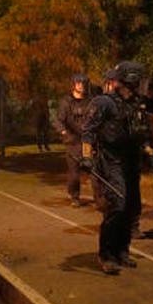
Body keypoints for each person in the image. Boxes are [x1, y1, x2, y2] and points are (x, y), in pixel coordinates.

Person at [81, 61, 151, 275]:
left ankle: (122, 250)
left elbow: (142, 131)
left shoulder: (136, 104)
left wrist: (149, 151)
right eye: (133, 83)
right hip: (111, 162)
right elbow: (88, 131)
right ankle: (107, 254)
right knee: (117, 206)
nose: (136, 87)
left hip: (131, 162)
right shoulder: (104, 103)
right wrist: (86, 156)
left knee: (130, 208)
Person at [56, 73, 100, 208]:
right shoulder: (66, 102)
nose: (81, 85)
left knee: (94, 173)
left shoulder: (91, 101)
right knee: (74, 174)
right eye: (78, 83)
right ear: (73, 85)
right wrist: (64, 133)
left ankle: (98, 199)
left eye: (83, 83)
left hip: (89, 141)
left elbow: (97, 118)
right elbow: (59, 121)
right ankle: (74, 196)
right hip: (73, 142)